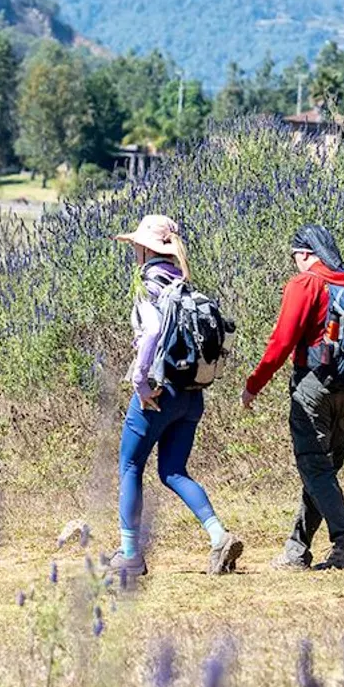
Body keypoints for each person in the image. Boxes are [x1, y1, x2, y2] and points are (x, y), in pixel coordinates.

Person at [108, 214, 245, 578]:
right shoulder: (183, 283)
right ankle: (218, 535)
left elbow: (152, 330)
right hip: (190, 394)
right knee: (172, 470)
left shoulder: (148, 282)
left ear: (143, 248)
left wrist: (139, 382)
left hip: (157, 390)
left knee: (130, 466)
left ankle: (130, 556)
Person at [242, 225, 344, 571]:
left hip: (313, 386)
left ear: (303, 254)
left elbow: (282, 341)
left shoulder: (306, 283)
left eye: (294, 257)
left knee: (315, 469)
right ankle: (296, 550)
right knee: (321, 473)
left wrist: (254, 384)